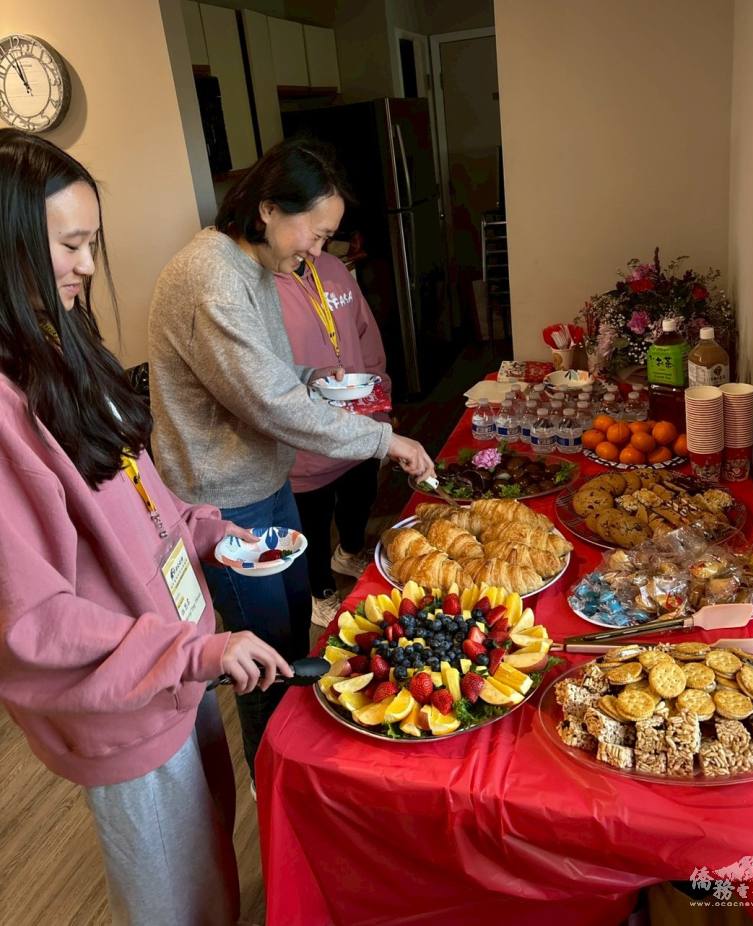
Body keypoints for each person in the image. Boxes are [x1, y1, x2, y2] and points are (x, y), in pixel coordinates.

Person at [0, 128, 292, 926]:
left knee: (208, 867)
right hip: (129, 695)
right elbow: (32, 622)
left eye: (90, 243)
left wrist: (206, 532)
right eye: (69, 245)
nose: (87, 265)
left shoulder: (63, 345)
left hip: (175, 666)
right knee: (173, 901)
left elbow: (139, 492)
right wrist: (193, 651)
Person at [148, 137, 434, 780]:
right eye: (318, 233)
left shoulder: (252, 267)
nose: (320, 251)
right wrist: (384, 440)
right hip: (224, 499)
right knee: (265, 656)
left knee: (290, 629)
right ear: (270, 209)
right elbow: (267, 402)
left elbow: (267, 377)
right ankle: (274, 783)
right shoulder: (211, 278)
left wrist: (313, 377)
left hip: (263, 480)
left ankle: (291, 772)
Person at [275, 248, 389, 635]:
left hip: (358, 418)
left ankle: (350, 551)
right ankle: (319, 590)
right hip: (307, 435)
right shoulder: (261, 281)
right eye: (316, 231)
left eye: (325, 235)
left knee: (362, 493)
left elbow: (366, 335)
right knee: (313, 519)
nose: (317, 246)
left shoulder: (332, 267)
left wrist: (380, 400)